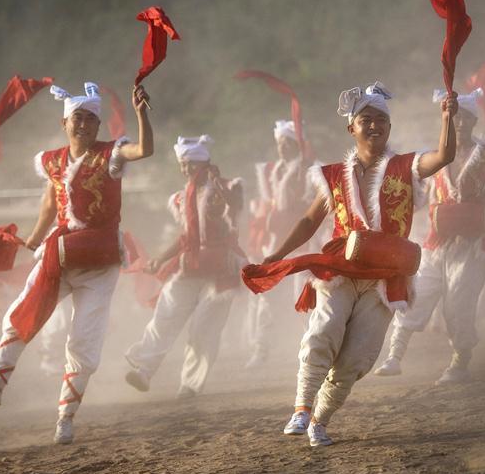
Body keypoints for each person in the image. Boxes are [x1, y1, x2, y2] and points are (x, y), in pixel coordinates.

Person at [254, 81, 457, 446]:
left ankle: (320, 418)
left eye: (381, 119)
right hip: (340, 269)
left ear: (390, 127)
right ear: (352, 128)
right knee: (324, 330)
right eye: (366, 119)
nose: (375, 125)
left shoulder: (405, 166)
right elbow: (308, 222)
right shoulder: (331, 175)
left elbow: (443, 156)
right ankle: (301, 407)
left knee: (356, 359)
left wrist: (447, 118)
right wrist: (278, 253)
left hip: (386, 277)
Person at [0, 82, 154, 444]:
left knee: (83, 341)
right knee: (21, 311)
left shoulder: (110, 154)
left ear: (98, 126)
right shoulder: (51, 160)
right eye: (77, 118)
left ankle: (65, 418)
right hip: (59, 253)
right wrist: (35, 238)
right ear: (64, 123)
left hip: (100, 263)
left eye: (90, 119)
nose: (83, 124)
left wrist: (142, 114)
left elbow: (145, 150)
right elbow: (50, 204)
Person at [374, 88, 485, 383]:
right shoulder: (436, 156)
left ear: (473, 122)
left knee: (459, 305)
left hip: (471, 245)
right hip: (436, 242)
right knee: (416, 295)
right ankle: (394, 356)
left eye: (465, 119)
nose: (460, 124)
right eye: (455, 119)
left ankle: (459, 363)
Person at [125, 135, 246, 398]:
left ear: (204, 162)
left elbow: (236, 208)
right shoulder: (181, 198)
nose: (186, 169)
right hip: (189, 265)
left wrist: (220, 188)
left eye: (191, 164)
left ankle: (190, 386)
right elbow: (186, 236)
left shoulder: (227, 187)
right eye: (183, 164)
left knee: (204, 329)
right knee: (165, 315)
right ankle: (144, 369)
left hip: (221, 270)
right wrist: (161, 258)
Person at [245, 120, 310, 368]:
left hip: (301, 241)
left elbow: (312, 206)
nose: (282, 148)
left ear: (297, 144)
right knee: (268, 296)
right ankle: (261, 349)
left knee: (301, 295)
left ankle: (308, 348)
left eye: (287, 143)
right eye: (280, 143)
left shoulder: (308, 169)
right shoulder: (273, 171)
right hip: (274, 241)